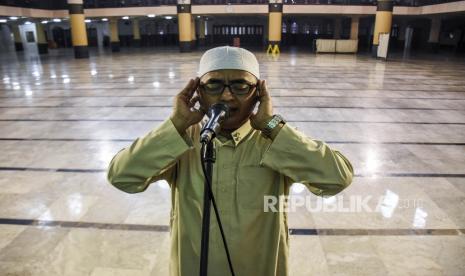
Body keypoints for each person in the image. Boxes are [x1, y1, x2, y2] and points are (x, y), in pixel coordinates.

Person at [107, 46, 354, 276]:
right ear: (198, 93)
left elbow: (337, 179)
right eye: (214, 85)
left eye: (240, 85)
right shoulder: (182, 140)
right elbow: (121, 176)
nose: (226, 95)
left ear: (258, 93)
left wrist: (272, 125)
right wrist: (176, 125)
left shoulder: (274, 139)